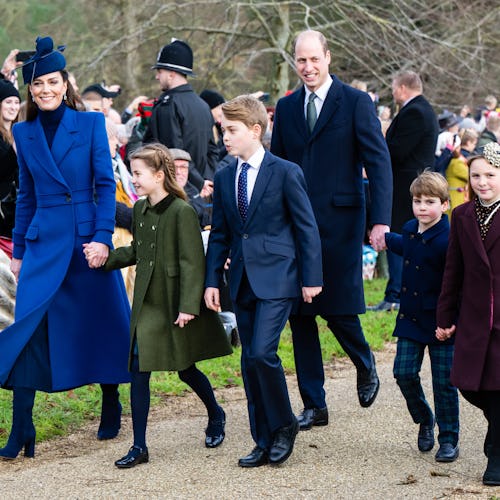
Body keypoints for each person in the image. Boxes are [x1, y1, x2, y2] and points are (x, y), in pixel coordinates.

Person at [0, 36, 131, 459]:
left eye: (52, 82)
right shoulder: (23, 130)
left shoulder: (91, 124)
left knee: (102, 320)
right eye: (37, 85)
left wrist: (102, 238)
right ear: (30, 90)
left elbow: (105, 184)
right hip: (42, 244)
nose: (45, 90)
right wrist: (19, 250)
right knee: (27, 329)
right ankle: (22, 427)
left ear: (65, 82)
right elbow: (26, 196)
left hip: (85, 241)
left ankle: (111, 399)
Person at [270, 30, 392, 429]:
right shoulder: (286, 109)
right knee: (301, 315)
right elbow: (279, 167)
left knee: (338, 308)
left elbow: (378, 162)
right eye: (300, 61)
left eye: (313, 60)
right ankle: (314, 404)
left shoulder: (355, 102)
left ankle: (364, 361)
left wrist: (381, 219)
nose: (307, 68)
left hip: (340, 222)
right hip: (295, 224)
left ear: (327, 57)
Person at [85, 143, 231, 468]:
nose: (133, 180)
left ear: (159, 175)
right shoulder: (139, 210)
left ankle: (216, 413)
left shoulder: (182, 211)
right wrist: (106, 257)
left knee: (185, 369)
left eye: (138, 174)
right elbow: (138, 251)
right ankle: (139, 446)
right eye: (133, 173)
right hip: (147, 302)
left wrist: (188, 306)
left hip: (176, 302)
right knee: (138, 370)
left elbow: (193, 262)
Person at [205, 95, 323, 467]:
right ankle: (263, 437)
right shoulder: (225, 176)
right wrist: (211, 282)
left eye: (232, 130)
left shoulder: (285, 172)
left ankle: (285, 424)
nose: (225, 136)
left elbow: (306, 228)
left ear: (256, 130)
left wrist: (311, 277)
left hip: (279, 277)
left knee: (261, 353)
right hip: (240, 280)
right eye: (224, 129)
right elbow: (221, 234)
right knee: (248, 362)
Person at [436, 142, 500, 486]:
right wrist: (444, 316)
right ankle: (497, 428)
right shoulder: (461, 215)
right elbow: (453, 269)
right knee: (470, 386)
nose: (482, 182)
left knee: (498, 386)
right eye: (476, 176)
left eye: (490, 175)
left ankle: (495, 455)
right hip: (473, 314)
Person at [386, 171, 459, 463]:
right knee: (403, 372)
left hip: (442, 321)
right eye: (418, 201)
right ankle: (424, 418)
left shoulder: (451, 238)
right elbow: (407, 247)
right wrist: (382, 236)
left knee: (444, 382)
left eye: (430, 201)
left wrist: (451, 321)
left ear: (444, 204)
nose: (422, 207)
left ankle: (449, 438)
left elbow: (457, 281)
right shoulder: (409, 229)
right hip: (411, 318)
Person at [370, 71, 438, 312]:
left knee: (400, 237)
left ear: (402, 88)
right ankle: (396, 293)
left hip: (407, 186)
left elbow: (397, 151)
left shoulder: (415, 112)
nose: (391, 91)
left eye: (393, 87)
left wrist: (379, 144)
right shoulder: (420, 110)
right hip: (410, 184)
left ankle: (396, 295)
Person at [144, 39, 218, 196]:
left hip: (176, 189)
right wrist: (206, 181)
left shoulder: (167, 105)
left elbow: (173, 153)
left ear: (171, 74)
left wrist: (199, 183)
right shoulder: (203, 105)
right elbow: (213, 151)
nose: (157, 77)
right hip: (202, 191)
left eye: (160, 71)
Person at [0, 80, 20, 245]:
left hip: (17, 213)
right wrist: (15, 150)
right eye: (8, 102)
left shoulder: (17, 132)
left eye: (16, 102)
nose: (13, 107)